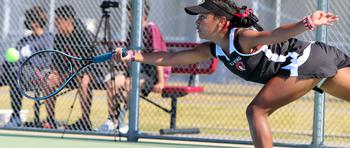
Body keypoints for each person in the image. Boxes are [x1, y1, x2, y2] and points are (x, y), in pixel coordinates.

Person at [114, 0, 349, 147]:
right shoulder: (214, 49)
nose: (197, 22)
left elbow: (275, 34)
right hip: (318, 59)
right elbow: (171, 58)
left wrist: (306, 23)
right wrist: (134, 55)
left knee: (256, 110)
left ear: (221, 22)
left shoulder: (242, 38)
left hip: (306, 59)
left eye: (203, 17)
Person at [100, 0, 171, 132]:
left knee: (129, 84)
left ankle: (125, 121)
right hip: (133, 71)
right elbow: (128, 53)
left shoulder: (151, 29)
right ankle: (112, 119)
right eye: (129, 12)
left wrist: (161, 81)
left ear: (142, 15)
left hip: (151, 72)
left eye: (132, 12)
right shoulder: (132, 29)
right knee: (112, 83)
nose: (129, 16)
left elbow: (158, 57)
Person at [46, 5, 95, 130]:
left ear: (68, 21)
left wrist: (72, 74)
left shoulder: (84, 36)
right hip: (70, 74)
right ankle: (50, 120)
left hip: (90, 74)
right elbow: (56, 63)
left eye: (57, 21)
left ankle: (85, 121)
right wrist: (54, 75)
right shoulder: (58, 37)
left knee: (83, 80)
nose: (55, 24)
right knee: (49, 81)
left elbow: (90, 64)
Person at [3, 6, 54, 128]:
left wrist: (27, 61)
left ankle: (16, 117)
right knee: (9, 72)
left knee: (15, 75)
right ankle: (15, 117)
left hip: (38, 74)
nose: (27, 22)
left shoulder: (48, 39)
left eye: (30, 19)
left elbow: (48, 61)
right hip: (18, 71)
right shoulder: (24, 40)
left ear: (36, 22)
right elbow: (13, 56)